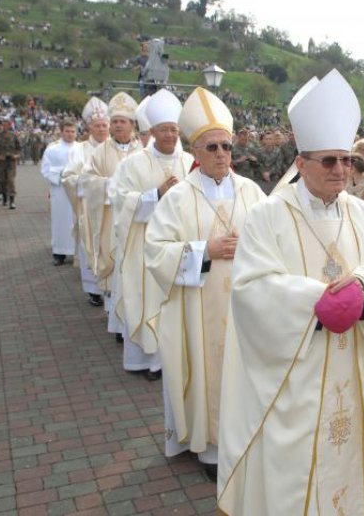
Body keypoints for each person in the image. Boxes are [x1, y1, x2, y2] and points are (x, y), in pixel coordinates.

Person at [218, 69, 364, 515]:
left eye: (346, 160)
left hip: (352, 367)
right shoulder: (269, 216)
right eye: (328, 161)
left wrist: (363, 290)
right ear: (300, 164)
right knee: (296, 465)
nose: (340, 169)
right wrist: (314, 300)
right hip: (295, 372)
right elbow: (250, 286)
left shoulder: (362, 214)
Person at [143, 87, 266, 481]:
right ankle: (211, 449)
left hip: (246, 306)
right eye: (211, 147)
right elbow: (156, 252)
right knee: (210, 371)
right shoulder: (178, 198)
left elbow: (273, 240)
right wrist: (205, 250)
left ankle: (245, 439)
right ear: (195, 152)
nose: (220, 154)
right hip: (199, 308)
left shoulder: (253, 193)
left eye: (226, 146)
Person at [110, 89, 195, 380]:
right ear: (153, 131)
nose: (170, 135)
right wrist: (156, 195)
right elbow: (120, 200)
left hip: (180, 244)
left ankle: (173, 357)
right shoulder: (133, 163)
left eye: (174, 129)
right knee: (146, 298)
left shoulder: (190, 162)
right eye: (164, 130)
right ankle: (147, 361)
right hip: (144, 244)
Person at [80, 92, 141, 340]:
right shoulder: (100, 152)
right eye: (113, 121)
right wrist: (111, 187)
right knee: (116, 270)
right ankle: (117, 322)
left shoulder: (143, 150)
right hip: (111, 216)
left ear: (132, 125)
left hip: (137, 220)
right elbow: (88, 180)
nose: (117, 125)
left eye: (122, 121)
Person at [62, 97, 110, 307]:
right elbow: (68, 177)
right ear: (90, 127)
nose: (101, 129)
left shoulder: (115, 148)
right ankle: (93, 289)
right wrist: (90, 185)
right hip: (89, 208)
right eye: (97, 126)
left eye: (104, 125)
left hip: (110, 208)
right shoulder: (79, 150)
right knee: (90, 244)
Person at [40, 120, 77, 266]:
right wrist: (62, 174)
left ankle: (76, 252)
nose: (70, 134)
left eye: (73, 131)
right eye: (67, 131)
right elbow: (45, 169)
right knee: (60, 222)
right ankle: (59, 253)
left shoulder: (81, 148)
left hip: (77, 190)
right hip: (60, 191)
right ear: (61, 132)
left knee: (76, 221)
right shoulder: (52, 149)